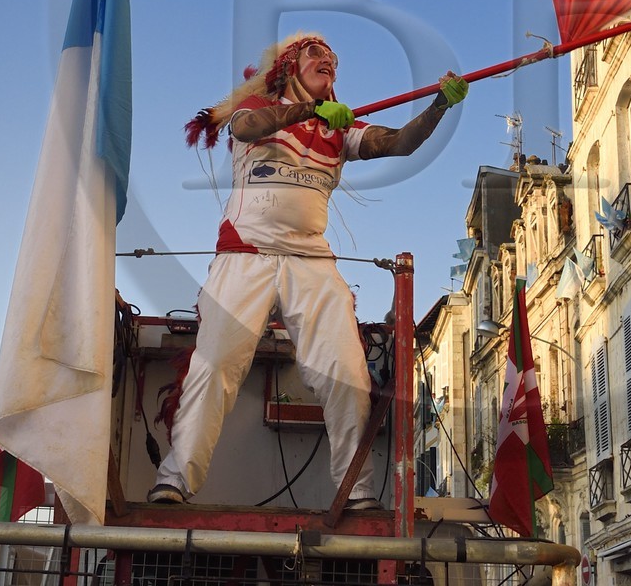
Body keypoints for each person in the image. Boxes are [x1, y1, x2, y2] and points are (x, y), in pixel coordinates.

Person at [149, 32, 467, 509]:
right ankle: (174, 479)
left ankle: (355, 489)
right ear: (291, 65)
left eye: (334, 60)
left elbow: (400, 143)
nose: (329, 63)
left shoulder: (342, 127)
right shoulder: (259, 106)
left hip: (311, 261)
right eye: (318, 54)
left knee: (347, 372)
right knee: (214, 364)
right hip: (245, 256)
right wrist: (308, 112)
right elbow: (247, 128)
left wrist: (440, 106)